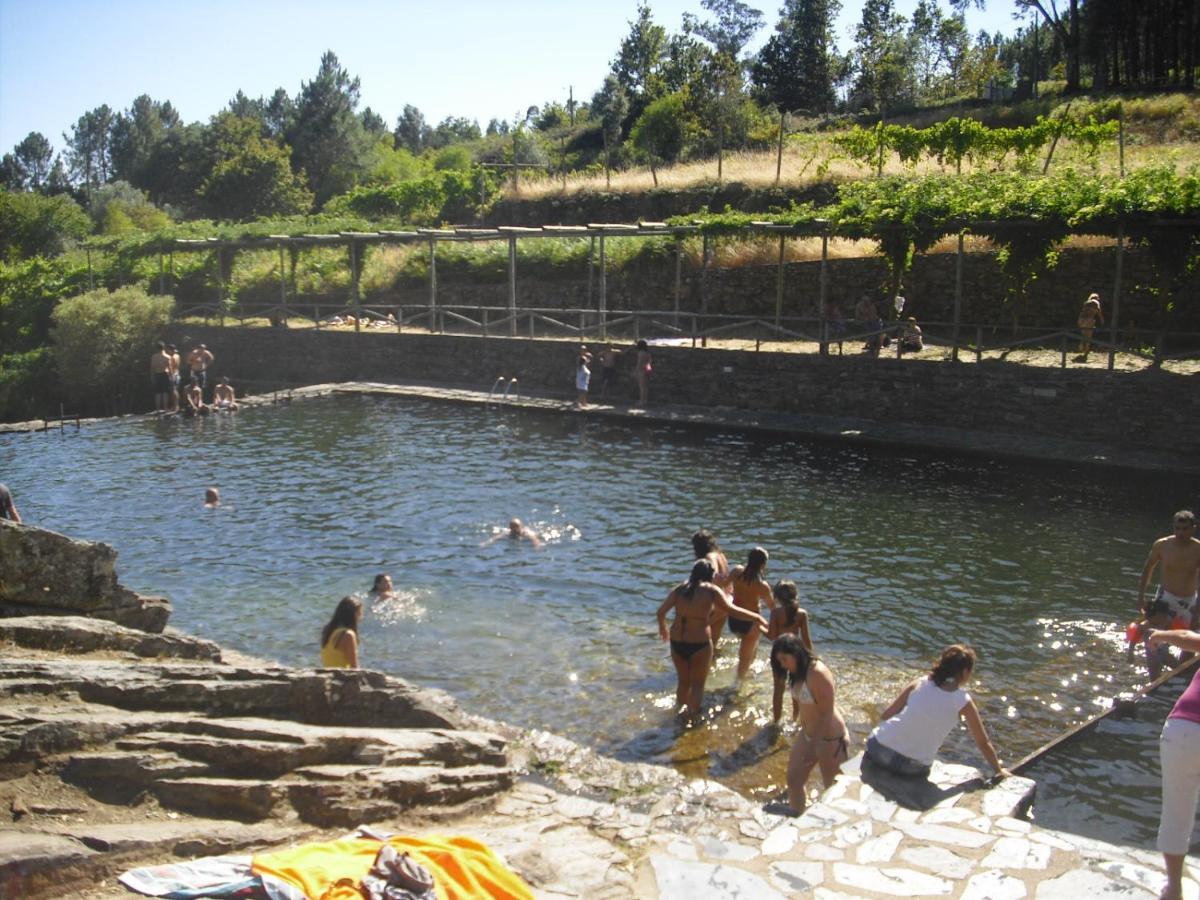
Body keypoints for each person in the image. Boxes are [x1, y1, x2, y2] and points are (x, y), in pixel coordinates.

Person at [865, 644, 1008, 780]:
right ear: (965, 672)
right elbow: (983, 742)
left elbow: (887, 715)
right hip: (912, 767)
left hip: (878, 749)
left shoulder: (920, 682)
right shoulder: (963, 701)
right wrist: (999, 770)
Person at [657, 559, 768, 717]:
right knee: (697, 684)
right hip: (699, 643)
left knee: (683, 682)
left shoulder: (681, 589)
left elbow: (661, 612)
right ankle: (691, 716)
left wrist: (663, 628)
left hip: (677, 642)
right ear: (709, 575)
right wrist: (756, 617)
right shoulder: (711, 591)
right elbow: (732, 610)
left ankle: (678, 714)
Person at [1145, 626, 1200, 900]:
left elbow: (1187, 639)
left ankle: (1174, 889)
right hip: (1185, 730)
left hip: (1183, 729)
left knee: (1177, 813)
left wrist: (1159, 635)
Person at [770, 635, 850, 813]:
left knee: (833, 792)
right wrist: (797, 721)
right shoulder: (797, 671)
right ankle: (798, 818)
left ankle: (830, 828)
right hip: (808, 735)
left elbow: (827, 713)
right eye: (779, 661)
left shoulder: (817, 673)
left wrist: (814, 746)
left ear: (796, 653)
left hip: (830, 739)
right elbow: (800, 701)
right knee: (794, 780)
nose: (783, 665)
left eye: (784, 659)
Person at [1138, 511, 1200, 631]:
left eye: (1184, 529)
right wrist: (1141, 598)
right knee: (1155, 635)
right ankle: (1134, 646)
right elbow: (1148, 569)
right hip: (1166, 597)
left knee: (1190, 644)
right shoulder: (1162, 545)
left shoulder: (1198, 549)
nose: (1180, 532)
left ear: (1193, 529)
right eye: (1177, 528)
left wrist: (1196, 614)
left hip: (1189, 600)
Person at [727, 547, 776, 682]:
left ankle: (747, 675)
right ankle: (737, 686)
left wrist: (733, 595)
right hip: (751, 622)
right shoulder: (762, 585)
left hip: (733, 619)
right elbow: (772, 607)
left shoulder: (736, 572)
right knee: (745, 657)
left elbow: (725, 586)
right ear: (763, 565)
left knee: (751, 651)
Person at [768, 581, 813, 723]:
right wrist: (811, 659)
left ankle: (776, 722)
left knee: (778, 689)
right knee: (797, 688)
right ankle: (795, 719)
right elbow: (806, 640)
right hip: (796, 654)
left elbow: (772, 636)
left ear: (776, 597)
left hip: (778, 653)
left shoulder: (775, 613)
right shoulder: (802, 614)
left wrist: (760, 626)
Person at [692, 530, 731, 651]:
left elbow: (713, 574)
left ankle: (704, 665)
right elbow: (726, 577)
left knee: (702, 639)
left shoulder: (710, 557)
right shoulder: (721, 555)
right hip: (725, 600)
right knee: (714, 640)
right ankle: (713, 662)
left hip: (714, 603)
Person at [320, 596, 362, 669]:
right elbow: (354, 668)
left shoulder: (328, 631)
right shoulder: (347, 635)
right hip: (342, 677)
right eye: (359, 613)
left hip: (329, 675)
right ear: (354, 614)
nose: (361, 617)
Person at [1077, 292, 1104, 358]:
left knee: (1083, 335)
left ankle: (1082, 347)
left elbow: (1083, 312)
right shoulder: (1096, 302)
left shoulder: (1086, 303)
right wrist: (1102, 320)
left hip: (1081, 320)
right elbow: (1099, 312)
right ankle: (1086, 352)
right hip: (1089, 320)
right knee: (1088, 337)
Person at [150, 342, 173, 413]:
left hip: (157, 374)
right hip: (164, 374)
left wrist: (152, 377)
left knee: (158, 393)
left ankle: (157, 409)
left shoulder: (154, 357)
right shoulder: (167, 357)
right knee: (165, 392)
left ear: (157, 348)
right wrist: (171, 377)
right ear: (164, 348)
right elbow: (170, 368)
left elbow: (152, 368)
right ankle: (165, 408)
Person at [634, 340, 652, 407]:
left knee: (641, 387)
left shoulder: (640, 353)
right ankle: (645, 400)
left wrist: (636, 371)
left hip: (641, 371)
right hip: (647, 370)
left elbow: (639, 363)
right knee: (646, 387)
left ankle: (641, 401)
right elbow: (650, 362)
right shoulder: (647, 353)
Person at [167, 344, 182, 412]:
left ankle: (176, 406)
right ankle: (175, 405)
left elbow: (171, 367)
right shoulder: (177, 356)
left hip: (173, 375)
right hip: (177, 374)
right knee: (175, 390)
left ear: (170, 350)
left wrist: (170, 375)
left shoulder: (172, 357)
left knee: (174, 391)